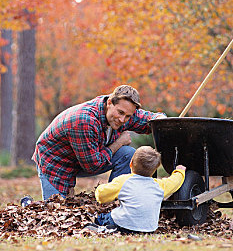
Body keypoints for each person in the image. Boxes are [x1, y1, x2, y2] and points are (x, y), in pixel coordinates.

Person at [32, 85, 167, 200]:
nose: (122, 119)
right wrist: (118, 143)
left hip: (85, 156)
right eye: (120, 113)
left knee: (128, 154)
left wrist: (162, 120)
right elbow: (92, 166)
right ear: (109, 103)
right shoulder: (85, 121)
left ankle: (116, 201)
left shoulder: (122, 111)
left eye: (127, 116)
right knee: (56, 211)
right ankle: (27, 203)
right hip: (56, 162)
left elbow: (149, 119)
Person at [94, 146, 186, 234]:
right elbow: (174, 182)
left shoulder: (124, 181)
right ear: (154, 170)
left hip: (122, 225)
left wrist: (98, 189)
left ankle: (97, 225)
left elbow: (101, 196)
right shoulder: (159, 185)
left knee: (102, 218)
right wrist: (180, 171)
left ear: (131, 163)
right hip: (149, 228)